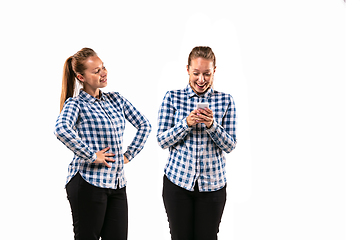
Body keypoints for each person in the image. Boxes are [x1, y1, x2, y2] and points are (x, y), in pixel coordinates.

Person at [54, 47, 151, 240]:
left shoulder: (116, 100)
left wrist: (128, 155)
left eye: (103, 67)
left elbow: (144, 125)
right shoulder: (76, 104)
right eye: (96, 71)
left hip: (117, 184)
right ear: (81, 77)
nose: (103, 73)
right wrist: (92, 155)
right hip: (88, 183)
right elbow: (61, 129)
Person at [157, 46, 237, 240]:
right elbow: (161, 140)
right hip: (177, 184)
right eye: (196, 73)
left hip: (213, 187)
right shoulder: (172, 97)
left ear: (214, 71)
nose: (201, 80)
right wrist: (186, 124)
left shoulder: (226, 101)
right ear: (187, 70)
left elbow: (230, 145)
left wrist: (212, 125)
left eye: (207, 74)